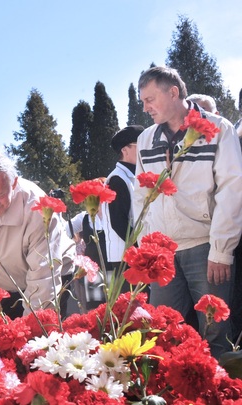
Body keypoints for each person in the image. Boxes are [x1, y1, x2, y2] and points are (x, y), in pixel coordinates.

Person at [134, 66, 242, 358]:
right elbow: (141, 197)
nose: (145, 108)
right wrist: (148, 251)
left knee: (215, 335)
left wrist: (221, 250)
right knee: (161, 335)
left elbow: (232, 191)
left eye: (150, 99)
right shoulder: (145, 140)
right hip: (163, 255)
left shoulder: (219, 129)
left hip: (205, 249)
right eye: (142, 101)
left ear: (173, 92)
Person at [0, 153, 76, 317]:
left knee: (40, 332)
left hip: (51, 274)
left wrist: (32, 330)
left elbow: (43, 279)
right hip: (5, 282)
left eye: (1, 195)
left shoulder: (38, 209)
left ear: (14, 183)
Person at [101, 126, 143, 274]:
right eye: (140, 145)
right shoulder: (117, 179)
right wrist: (141, 248)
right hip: (125, 256)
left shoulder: (133, 175)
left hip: (134, 253)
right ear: (125, 150)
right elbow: (118, 222)